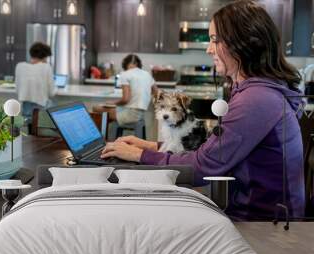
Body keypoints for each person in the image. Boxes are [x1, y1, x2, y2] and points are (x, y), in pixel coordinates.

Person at [101, 0, 305, 220]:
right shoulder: (258, 91)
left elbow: (203, 168)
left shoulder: (257, 99)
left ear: (243, 43)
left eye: (214, 40)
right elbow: (212, 152)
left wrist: (141, 155)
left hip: (262, 225)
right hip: (262, 215)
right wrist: (154, 146)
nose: (209, 49)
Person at [93, 54, 157, 127]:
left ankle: (103, 136)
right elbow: (157, 93)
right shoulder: (147, 74)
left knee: (96, 108)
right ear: (138, 64)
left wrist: (113, 103)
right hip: (141, 114)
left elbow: (125, 99)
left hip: (131, 114)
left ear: (125, 64)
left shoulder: (125, 74)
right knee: (109, 114)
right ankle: (111, 133)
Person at [15, 42, 55, 128]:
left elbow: (17, 90)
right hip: (41, 109)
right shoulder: (46, 67)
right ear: (45, 56)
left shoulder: (20, 66)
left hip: (25, 108)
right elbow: (52, 93)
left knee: (28, 131)